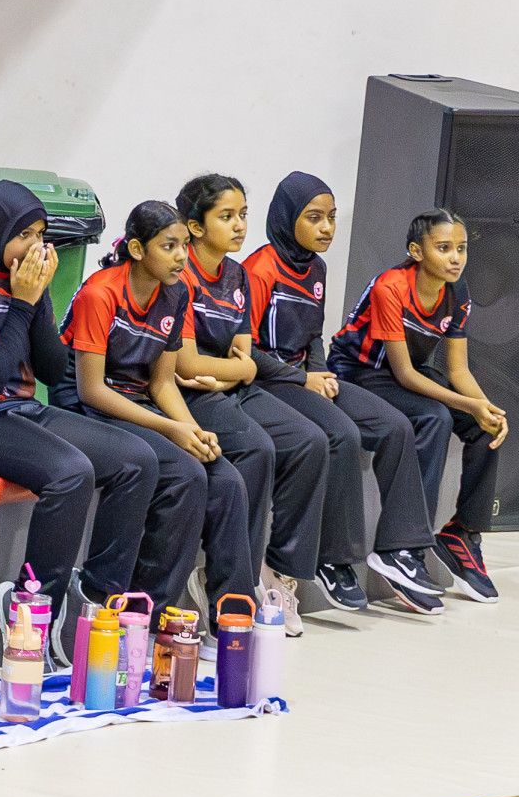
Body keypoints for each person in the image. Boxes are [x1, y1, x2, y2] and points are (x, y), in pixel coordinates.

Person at [0, 180, 156, 665]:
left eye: (41, 234)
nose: (35, 246)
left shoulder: (24, 278)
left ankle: (95, 600)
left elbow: (49, 370)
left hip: (17, 409)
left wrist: (38, 299)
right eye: (23, 234)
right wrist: (23, 303)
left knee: (138, 460)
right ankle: (30, 610)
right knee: (71, 473)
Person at [50, 200, 254, 638]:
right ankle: (142, 613)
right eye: (169, 246)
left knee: (226, 479)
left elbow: (161, 384)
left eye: (184, 245)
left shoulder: (176, 295)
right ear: (138, 250)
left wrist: (193, 430)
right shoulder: (100, 293)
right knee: (186, 474)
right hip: (85, 407)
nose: (182, 256)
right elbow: (91, 390)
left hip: (138, 402)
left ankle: (229, 618)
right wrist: (170, 429)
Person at [244, 173, 443, 614]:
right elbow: (246, 350)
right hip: (269, 382)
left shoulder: (316, 268)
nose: (327, 228)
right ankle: (333, 559)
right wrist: (302, 380)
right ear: (287, 218)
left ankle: (399, 549)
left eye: (332, 218)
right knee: (342, 435)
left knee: (395, 426)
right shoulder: (259, 269)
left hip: (306, 376)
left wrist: (320, 372)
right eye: (314, 218)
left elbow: (313, 335)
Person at [173, 175, 329, 635]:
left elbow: (245, 358)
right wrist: (232, 370)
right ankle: (225, 581)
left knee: (309, 439)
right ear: (196, 226)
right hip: (190, 393)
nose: (240, 225)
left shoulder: (237, 275)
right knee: (257, 448)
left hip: (224, 384)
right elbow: (186, 365)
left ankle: (271, 570)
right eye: (226, 216)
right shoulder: (182, 275)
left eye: (242, 214)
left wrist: (230, 372)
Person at [329, 208, 507, 603]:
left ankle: (463, 534)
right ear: (416, 251)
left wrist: (484, 408)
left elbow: (458, 370)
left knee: (486, 426)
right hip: (359, 372)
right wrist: (469, 405)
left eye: (461, 248)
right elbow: (406, 375)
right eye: (443, 248)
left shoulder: (457, 291)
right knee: (434, 417)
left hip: (404, 374)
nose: (455, 258)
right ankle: (403, 548)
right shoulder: (391, 286)